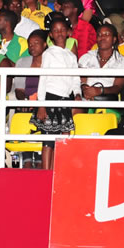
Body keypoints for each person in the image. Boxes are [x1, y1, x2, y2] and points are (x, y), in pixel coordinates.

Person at [32, 19, 81, 170]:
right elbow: (43, 78)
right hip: (50, 98)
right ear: (51, 35)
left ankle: (57, 170)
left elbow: (75, 78)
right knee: (48, 139)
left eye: (62, 30)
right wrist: (42, 104)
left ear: (68, 32)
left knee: (62, 138)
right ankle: (46, 172)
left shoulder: (71, 56)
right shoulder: (48, 53)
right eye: (56, 30)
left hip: (65, 99)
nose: (59, 33)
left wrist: (77, 93)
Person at [79, 22, 124, 102]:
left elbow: (118, 87)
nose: (102, 37)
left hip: (108, 101)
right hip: (86, 99)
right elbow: (81, 81)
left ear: (114, 39)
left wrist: (99, 90)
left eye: (106, 34)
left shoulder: (122, 61)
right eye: (99, 35)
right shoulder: (86, 57)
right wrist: (84, 88)